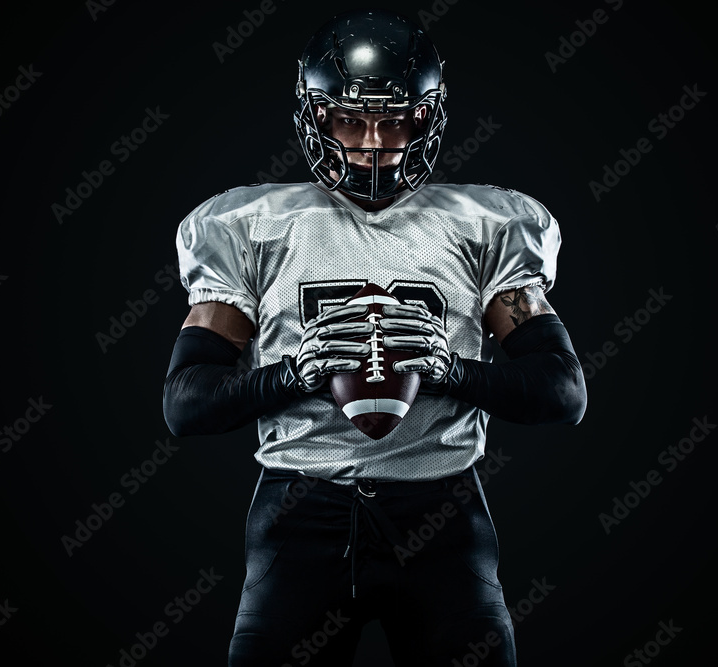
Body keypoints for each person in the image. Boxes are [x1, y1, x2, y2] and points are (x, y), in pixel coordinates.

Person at [162, 9, 587, 666]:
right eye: (349, 121)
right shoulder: (249, 225)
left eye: (395, 122)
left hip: (443, 513)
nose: (372, 144)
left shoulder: (484, 223)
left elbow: (563, 391)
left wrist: (452, 370)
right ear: (315, 117)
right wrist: (291, 375)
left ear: (428, 117)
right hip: (298, 512)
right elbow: (185, 403)